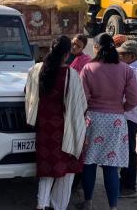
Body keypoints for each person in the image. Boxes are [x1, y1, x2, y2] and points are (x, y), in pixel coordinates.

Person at [25, 36, 87, 210]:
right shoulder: (71, 75)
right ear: (67, 54)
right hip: (65, 129)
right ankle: (58, 206)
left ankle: (42, 204)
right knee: (65, 171)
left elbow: (28, 94)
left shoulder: (36, 69)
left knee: (46, 169)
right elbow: (80, 105)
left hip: (43, 127)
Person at [80, 33, 137, 210]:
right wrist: (121, 108)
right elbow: (134, 99)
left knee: (89, 163)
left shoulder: (89, 68)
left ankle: (88, 202)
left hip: (93, 119)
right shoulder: (126, 70)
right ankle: (113, 207)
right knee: (110, 166)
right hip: (116, 121)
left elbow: (82, 99)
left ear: (97, 47)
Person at [117, 40, 137, 198]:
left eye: (122, 54)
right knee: (123, 150)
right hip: (124, 114)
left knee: (129, 151)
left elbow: (129, 96)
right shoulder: (129, 67)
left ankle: (129, 186)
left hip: (129, 115)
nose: (119, 57)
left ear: (132, 56)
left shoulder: (136, 70)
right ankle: (123, 183)